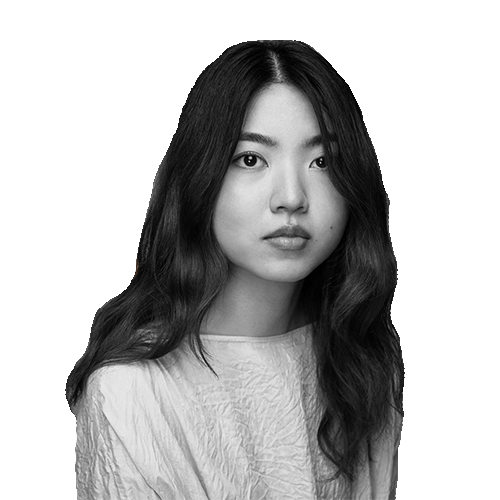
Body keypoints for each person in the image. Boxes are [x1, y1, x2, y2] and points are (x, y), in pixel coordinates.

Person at [67, 40, 404, 499]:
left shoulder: (364, 359)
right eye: (251, 159)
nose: (291, 197)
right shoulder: (132, 390)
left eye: (322, 161)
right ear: (199, 177)